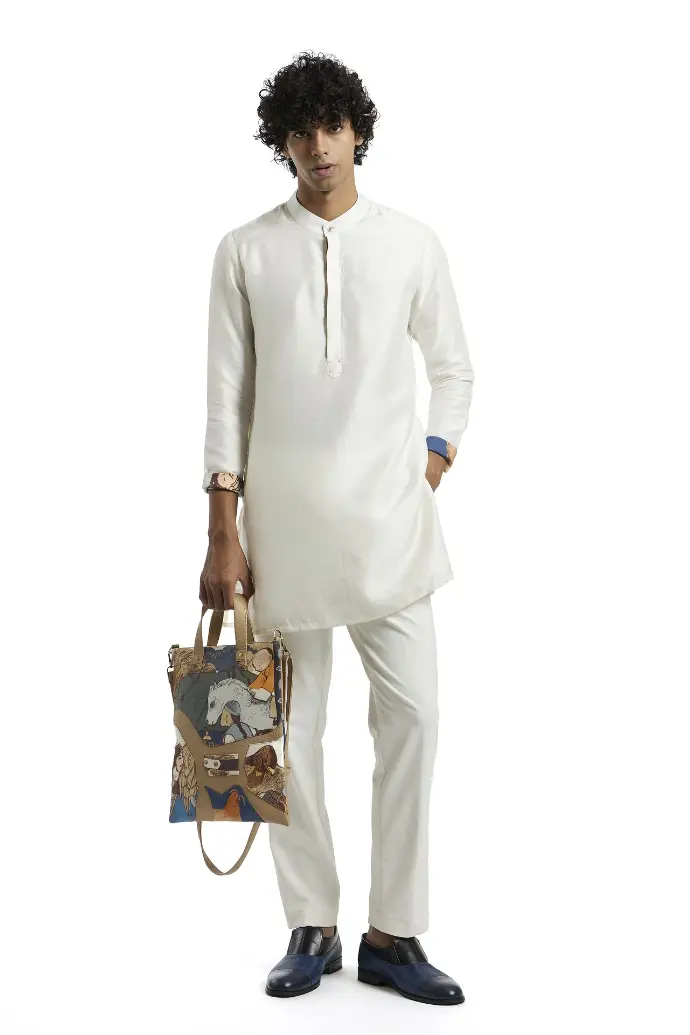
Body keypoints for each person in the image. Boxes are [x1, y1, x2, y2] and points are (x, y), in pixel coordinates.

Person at [198, 50, 474, 1006]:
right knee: (283, 733)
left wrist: (430, 460)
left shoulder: (411, 243)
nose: (319, 145)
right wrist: (223, 530)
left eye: (334, 126)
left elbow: (454, 367)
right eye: (300, 131)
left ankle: (394, 932)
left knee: (416, 718)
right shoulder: (244, 251)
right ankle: (310, 923)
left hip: (393, 531)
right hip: (282, 537)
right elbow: (226, 397)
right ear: (281, 143)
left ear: (358, 132)